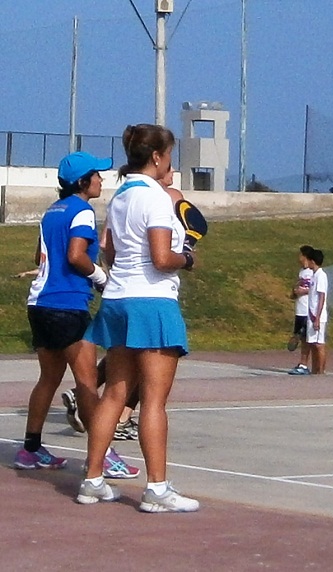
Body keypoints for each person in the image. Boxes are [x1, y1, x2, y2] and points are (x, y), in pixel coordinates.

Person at [77, 123, 199, 512]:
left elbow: (108, 250)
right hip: (152, 302)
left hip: (117, 299)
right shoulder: (158, 199)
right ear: (158, 157)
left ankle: (92, 480)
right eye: (170, 156)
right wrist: (188, 260)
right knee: (154, 402)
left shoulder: (120, 197)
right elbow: (163, 258)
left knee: (114, 393)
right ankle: (157, 489)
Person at [14, 151, 139, 480]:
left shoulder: (52, 212)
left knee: (49, 378)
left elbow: (43, 255)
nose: (101, 179)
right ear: (83, 182)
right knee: (87, 383)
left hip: (39, 304)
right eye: (96, 175)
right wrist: (101, 279)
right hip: (66, 305)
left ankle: (30, 449)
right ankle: (103, 455)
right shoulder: (82, 210)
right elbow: (75, 256)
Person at [288, 245, 315, 376]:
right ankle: (302, 363)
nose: (298, 258)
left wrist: (303, 291)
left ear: (305, 256)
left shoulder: (313, 272)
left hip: (307, 310)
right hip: (300, 309)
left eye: (300, 255)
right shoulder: (302, 272)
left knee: (306, 338)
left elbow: (315, 289)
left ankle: (304, 364)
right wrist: (295, 292)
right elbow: (298, 286)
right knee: (299, 337)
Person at [306, 248, 328, 375]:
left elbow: (321, 297)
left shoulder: (321, 276)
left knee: (319, 344)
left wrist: (318, 318)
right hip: (311, 314)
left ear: (312, 261)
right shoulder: (314, 275)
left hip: (317, 315)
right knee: (313, 344)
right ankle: (315, 370)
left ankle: (321, 371)